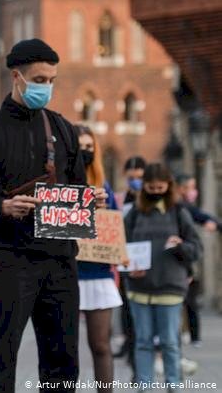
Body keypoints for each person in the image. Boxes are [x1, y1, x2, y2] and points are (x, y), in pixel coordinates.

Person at [0, 38, 108, 392]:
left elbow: (77, 189)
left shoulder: (64, 130)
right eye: (39, 80)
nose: (47, 87)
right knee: (0, 356)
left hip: (59, 261)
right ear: (17, 77)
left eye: (52, 80)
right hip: (8, 260)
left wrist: (90, 201)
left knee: (63, 362)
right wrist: (1, 207)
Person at [124, 163, 202, 389]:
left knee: (169, 342)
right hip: (139, 288)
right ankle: (144, 386)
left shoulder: (179, 212)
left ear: (169, 187)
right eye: (151, 187)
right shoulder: (135, 213)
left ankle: (173, 386)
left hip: (170, 287)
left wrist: (181, 246)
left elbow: (196, 248)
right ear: (144, 187)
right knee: (143, 342)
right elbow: (120, 245)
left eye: (160, 187)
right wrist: (127, 266)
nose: (155, 191)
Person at [75, 125, 122, 393]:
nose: (85, 152)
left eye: (90, 147)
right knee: (63, 347)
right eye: (81, 147)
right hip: (67, 272)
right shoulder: (58, 185)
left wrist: (103, 207)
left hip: (98, 271)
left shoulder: (104, 187)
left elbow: (114, 230)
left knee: (101, 344)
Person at [175, 173, 221, 348]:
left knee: (189, 299)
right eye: (190, 187)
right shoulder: (181, 207)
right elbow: (202, 217)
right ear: (181, 188)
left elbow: (203, 218)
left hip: (186, 258)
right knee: (185, 299)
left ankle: (192, 335)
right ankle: (187, 335)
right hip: (178, 260)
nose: (193, 191)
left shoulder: (186, 207)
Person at [114, 156, 146, 367]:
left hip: (144, 262)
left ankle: (139, 349)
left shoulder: (148, 200)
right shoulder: (120, 200)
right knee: (125, 307)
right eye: (131, 177)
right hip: (124, 260)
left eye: (139, 177)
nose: (135, 181)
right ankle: (128, 342)